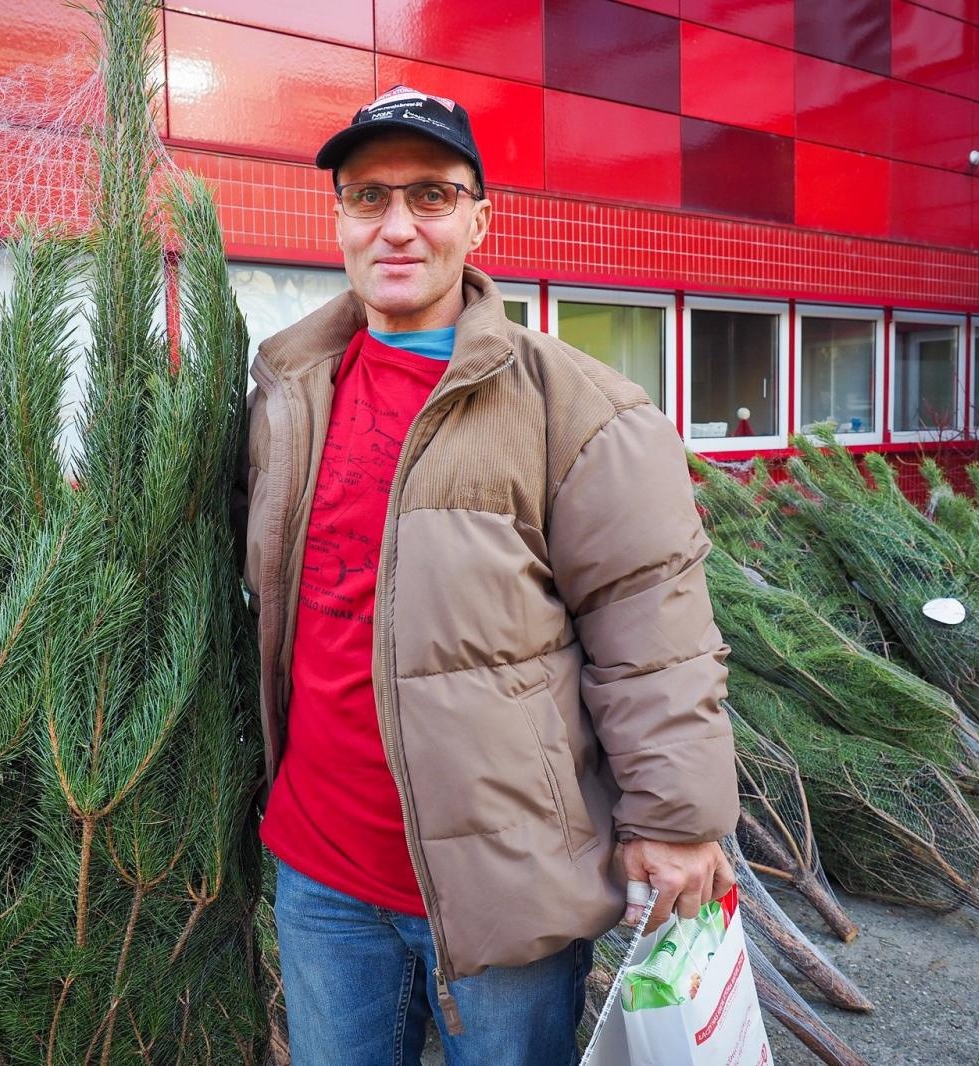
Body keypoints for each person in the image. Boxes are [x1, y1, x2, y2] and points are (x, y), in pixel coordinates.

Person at [237, 85, 739, 1066]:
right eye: (366, 196)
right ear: (336, 217)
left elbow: (652, 626)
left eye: (429, 195)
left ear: (479, 218)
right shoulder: (288, 395)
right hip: (322, 879)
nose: (396, 226)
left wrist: (674, 821)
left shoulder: (579, 408)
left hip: (502, 890)